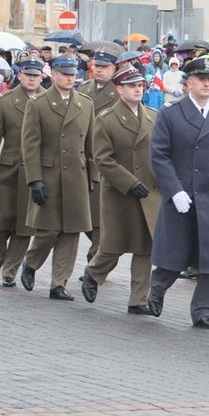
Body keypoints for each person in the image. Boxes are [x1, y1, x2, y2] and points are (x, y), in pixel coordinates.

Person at [146, 57, 209, 328]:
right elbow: (160, 155)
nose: (207, 84)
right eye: (201, 80)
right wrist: (174, 190)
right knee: (175, 252)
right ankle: (158, 288)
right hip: (182, 193)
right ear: (188, 84)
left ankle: (203, 311)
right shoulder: (170, 113)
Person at [81, 63, 161, 315]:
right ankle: (94, 273)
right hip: (119, 192)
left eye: (140, 85)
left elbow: (159, 153)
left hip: (148, 191)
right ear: (119, 89)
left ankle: (138, 299)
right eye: (131, 86)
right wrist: (128, 182)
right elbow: (103, 159)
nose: (138, 90)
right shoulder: (105, 119)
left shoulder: (152, 116)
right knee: (113, 245)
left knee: (145, 246)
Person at [19, 56, 96, 300]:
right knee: (49, 231)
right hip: (49, 176)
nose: (71, 78)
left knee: (71, 232)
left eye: (73, 74)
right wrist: (34, 180)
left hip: (76, 176)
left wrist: (93, 177)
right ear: (53, 75)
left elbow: (91, 145)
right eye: (65, 74)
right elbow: (30, 145)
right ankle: (31, 263)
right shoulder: (38, 104)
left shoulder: (85, 104)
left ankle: (58, 283)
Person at [0, 58, 45, 287]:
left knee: (25, 226)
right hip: (9, 169)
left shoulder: (47, 100)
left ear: (42, 77)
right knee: (0, 222)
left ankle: (10, 270)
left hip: (36, 172)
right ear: (20, 75)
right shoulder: (6, 102)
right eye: (28, 74)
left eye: (36, 75)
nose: (32, 79)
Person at [77, 49, 121, 264]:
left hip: (107, 157)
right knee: (85, 212)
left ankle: (95, 260)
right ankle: (97, 254)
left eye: (104, 68)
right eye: (97, 67)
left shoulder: (120, 90)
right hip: (84, 156)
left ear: (113, 69)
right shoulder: (84, 88)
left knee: (101, 215)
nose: (99, 71)